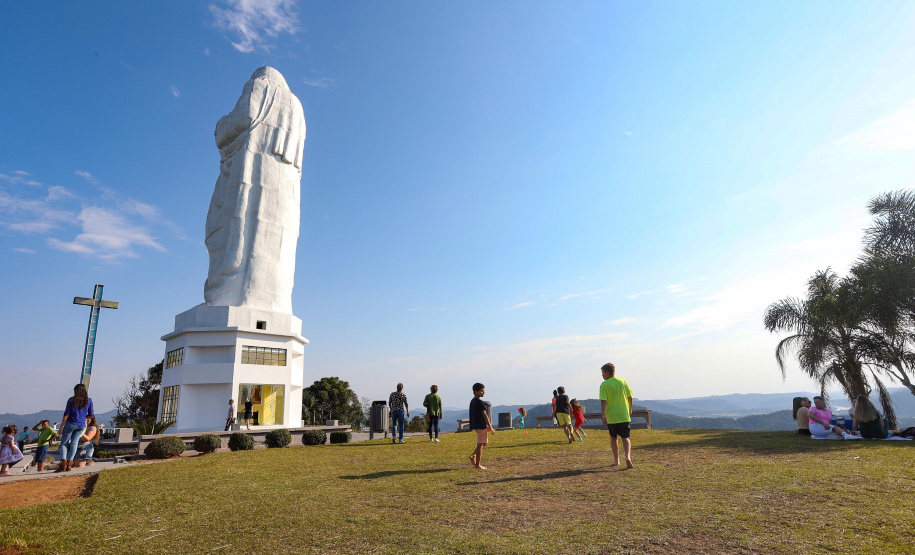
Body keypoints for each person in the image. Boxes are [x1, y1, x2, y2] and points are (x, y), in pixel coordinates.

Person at [599, 362, 634, 469]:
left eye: (603, 373)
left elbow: (603, 401)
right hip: (623, 414)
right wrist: (630, 409)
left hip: (612, 416)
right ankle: (628, 457)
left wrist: (603, 414)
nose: (602, 375)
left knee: (613, 438)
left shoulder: (604, 385)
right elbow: (630, 397)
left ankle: (616, 460)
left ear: (608, 373)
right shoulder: (623, 382)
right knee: (626, 437)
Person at [58, 383, 94, 472]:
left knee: (64, 443)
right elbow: (91, 414)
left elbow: (66, 414)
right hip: (81, 425)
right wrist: (85, 420)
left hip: (71, 423)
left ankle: (63, 463)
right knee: (74, 443)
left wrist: (61, 426)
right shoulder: (89, 401)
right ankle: (70, 463)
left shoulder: (71, 400)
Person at [469, 383, 495, 470]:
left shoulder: (473, 401)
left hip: (477, 425)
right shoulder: (479, 402)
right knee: (480, 444)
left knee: (484, 442)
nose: (483, 392)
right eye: (481, 390)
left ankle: (473, 455)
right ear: (475, 391)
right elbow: (484, 414)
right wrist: (490, 426)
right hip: (480, 425)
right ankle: (478, 465)